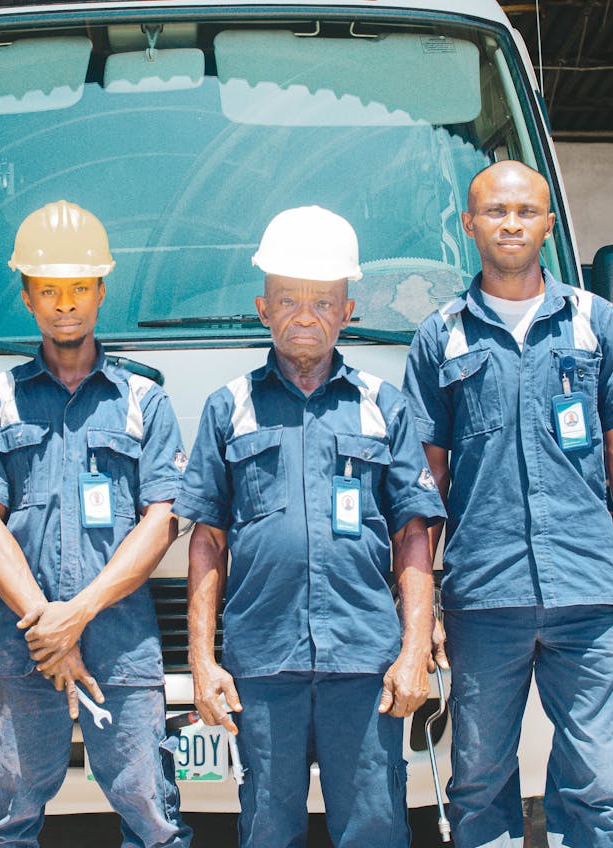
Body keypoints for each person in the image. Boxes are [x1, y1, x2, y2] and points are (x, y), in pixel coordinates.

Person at [401, 160, 613, 848]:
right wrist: (423, 612)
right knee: (479, 780)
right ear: (468, 225)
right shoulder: (442, 336)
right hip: (485, 601)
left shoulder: (593, 324)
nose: (510, 224)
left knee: (596, 781)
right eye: (494, 212)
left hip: (586, 592)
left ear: (548, 224)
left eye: (524, 212)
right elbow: (423, 488)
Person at [175, 206, 447, 848]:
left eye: (323, 301)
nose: (305, 314)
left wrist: (413, 653)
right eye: (288, 299)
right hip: (264, 663)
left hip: (365, 660)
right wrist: (201, 660)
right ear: (262, 308)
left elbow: (414, 535)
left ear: (347, 311)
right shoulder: (229, 408)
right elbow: (207, 540)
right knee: (268, 832)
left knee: (376, 830)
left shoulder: (385, 408)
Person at [0, 200, 192, 848]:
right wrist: (45, 625)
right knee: (6, 819)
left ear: (102, 292)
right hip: (23, 645)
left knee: (154, 817)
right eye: (51, 289)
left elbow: (161, 522)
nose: (66, 304)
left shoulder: (144, 401)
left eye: (79, 288)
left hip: (123, 644)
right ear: (27, 296)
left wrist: (76, 615)